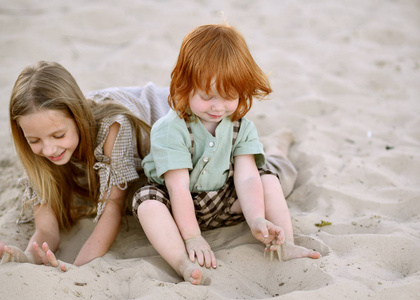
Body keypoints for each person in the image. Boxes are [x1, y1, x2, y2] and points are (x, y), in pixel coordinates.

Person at [132, 24, 320, 286]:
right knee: (147, 203)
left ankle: (285, 243)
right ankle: (182, 263)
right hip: (178, 206)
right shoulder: (170, 128)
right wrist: (193, 237)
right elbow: (178, 188)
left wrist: (255, 219)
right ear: (185, 87)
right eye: (207, 96)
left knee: (268, 178)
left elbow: (246, 180)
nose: (218, 106)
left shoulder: (241, 126)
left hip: (226, 200)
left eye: (229, 96)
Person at [0, 61, 169, 270]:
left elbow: (112, 208)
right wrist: (28, 257)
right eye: (34, 140)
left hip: (172, 110)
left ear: (77, 118)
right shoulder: (36, 145)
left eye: (58, 135)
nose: (49, 149)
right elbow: (47, 231)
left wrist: (77, 269)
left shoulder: (113, 126)